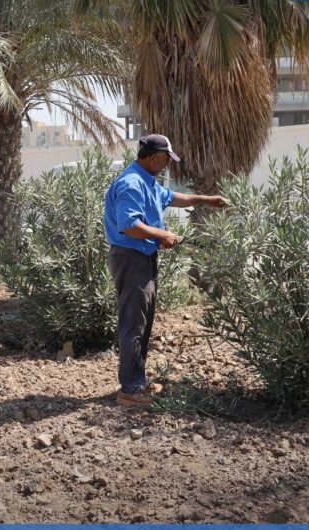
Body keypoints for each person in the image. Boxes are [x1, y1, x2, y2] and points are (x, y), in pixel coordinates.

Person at [105, 134, 229, 408]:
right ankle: (129, 390)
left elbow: (173, 198)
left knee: (143, 322)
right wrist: (163, 234)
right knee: (133, 324)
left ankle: (137, 382)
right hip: (132, 257)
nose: (166, 165)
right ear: (152, 158)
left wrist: (206, 199)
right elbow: (129, 225)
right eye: (164, 160)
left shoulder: (147, 181)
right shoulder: (131, 183)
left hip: (142, 257)